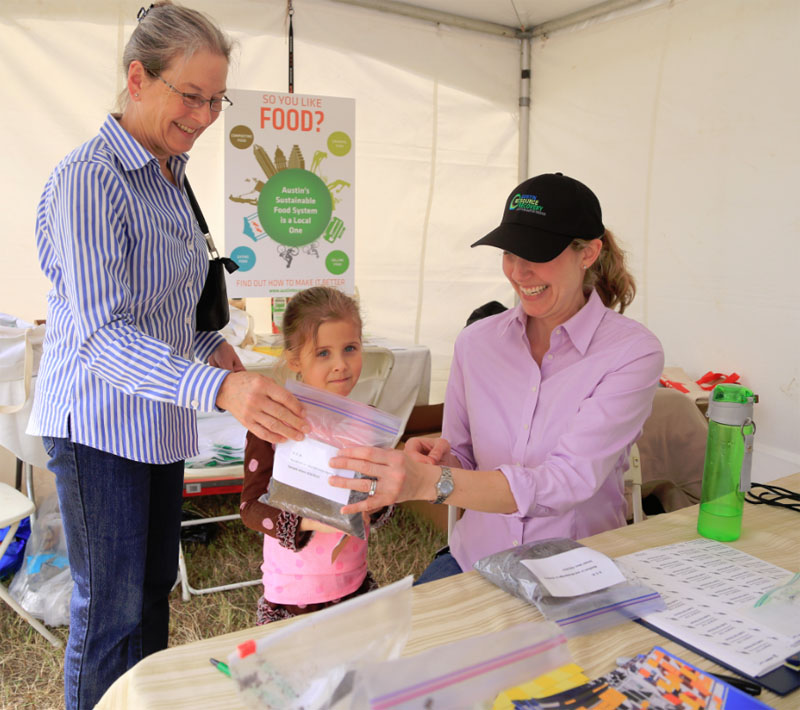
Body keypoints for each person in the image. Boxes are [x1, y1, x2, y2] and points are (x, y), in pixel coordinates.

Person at [27, 4, 306, 708]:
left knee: (151, 596)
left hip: (155, 422)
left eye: (216, 100)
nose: (206, 115)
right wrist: (216, 393)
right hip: (98, 427)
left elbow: (168, 314)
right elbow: (99, 335)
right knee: (112, 614)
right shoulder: (90, 180)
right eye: (191, 95)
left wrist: (219, 354)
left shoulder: (168, 174)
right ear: (136, 78)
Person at [327, 172, 665, 582]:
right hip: (478, 560)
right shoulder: (476, 343)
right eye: (509, 253)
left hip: (577, 569)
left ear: (589, 253)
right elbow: (463, 455)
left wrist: (433, 482)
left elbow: (567, 481)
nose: (519, 272)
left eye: (537, 253)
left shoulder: (631, 352)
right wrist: (439, 460)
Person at [240, 287, 392, 623]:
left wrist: (377, 503)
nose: (340, 365)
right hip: (294, 595)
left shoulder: (369, 422)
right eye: (323, 353)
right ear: (295, 360)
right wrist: (312, 522)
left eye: (350, 348)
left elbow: (381, 494)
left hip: (354, 583)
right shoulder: (274, 422)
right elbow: (250, 509)